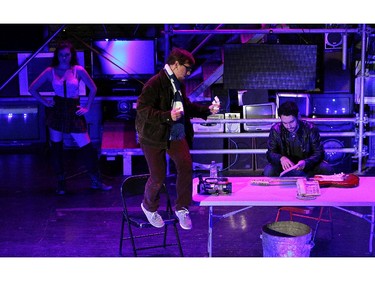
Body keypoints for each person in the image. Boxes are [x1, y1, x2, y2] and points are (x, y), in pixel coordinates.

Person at [135, 47, 220, 230]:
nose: (188, 73)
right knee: (158, 176)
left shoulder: (178, 83)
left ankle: (182, 208)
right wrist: (167, 115)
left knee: (185, 164)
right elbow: (142, 110)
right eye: (186, 68)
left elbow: (186, 107)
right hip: (153, 134)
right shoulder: (154, 83)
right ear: (175, 64)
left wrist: (207, 110)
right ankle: (149, 207)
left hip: (175, 130)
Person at [28, 40, 112, 195]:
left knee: (87, 148)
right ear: (57, 55)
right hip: (57, 109)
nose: (64, 58)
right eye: (61, 55)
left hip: (73, 109)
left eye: (67, 55)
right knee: (57, 149)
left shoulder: (77, 70)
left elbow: (93, 88)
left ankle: (96, 180)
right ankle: (61, 182)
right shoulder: (50, 71)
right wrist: (45, 102)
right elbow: (32, 88)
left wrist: (87, 106)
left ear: (71, 55)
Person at [263, 101, 334, 177]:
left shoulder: (310, 128)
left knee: (326, 168)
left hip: (307, 167)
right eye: (285, 123)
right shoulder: (276, 130)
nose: (289, 126)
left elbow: (319, 152)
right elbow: (270, 153)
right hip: (284, 167)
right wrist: (281, 158)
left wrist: (306, 162)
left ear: (298, 116)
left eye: (291, 122)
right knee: (269, 170)